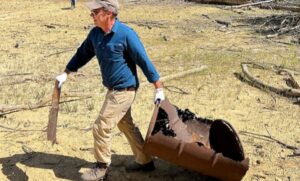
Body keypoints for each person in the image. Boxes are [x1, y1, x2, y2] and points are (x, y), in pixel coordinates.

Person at [55, 0, 165, 180]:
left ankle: (101, 168)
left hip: (125, 90)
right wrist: (66, 72)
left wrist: (158, 87)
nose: (91, 15)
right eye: (91, 12)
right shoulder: (95, 34)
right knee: (125, 124)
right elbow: (82, 54)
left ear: (108, 13)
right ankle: (145, 161)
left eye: (95, 12)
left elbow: (143, 60)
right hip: (112, 89)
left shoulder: (126, 34)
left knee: (101, 126)